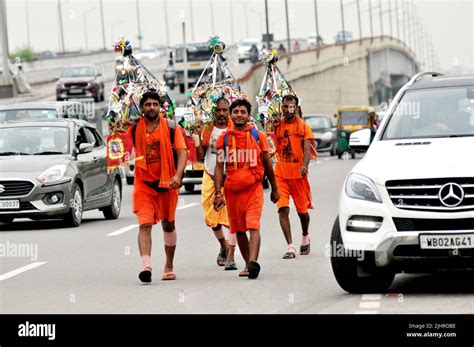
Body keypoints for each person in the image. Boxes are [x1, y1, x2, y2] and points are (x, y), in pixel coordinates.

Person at [213, 99, 280, 279]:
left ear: (248, 115)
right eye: (236, 112)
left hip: (254, 188)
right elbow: (219, 166)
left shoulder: (259, 136)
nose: (239, 115)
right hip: (232, 191)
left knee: (253, 225)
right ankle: (247, 264)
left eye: (243, 112)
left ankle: (253, 263)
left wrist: (275, 188)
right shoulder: (224, 138)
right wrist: (218, 193)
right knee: (240, 230)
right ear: (230, 114)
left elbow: (267, 162)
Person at [126, 91, 188, 283]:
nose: (151, 107)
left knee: (168, 224)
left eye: (155, 104)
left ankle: (168, 266)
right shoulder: (134, 128)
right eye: (147, 104)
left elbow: (182, 152)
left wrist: (178, 175)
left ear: (160, 107)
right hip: (144, 184)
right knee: (144, 225)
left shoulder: (171, 127)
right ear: (141, 107)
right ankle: (146, 266)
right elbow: (121, 149)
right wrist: (117, 132)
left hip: (167, 184)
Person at [194, 97, 237, 270]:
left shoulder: (235, 129)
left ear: (229, 111)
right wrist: (197, 136)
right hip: (210, 176)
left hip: (232, 177)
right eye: (218, 110)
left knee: (233, 217)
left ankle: (232, 256)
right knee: (211, 216)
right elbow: (199, 156)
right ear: (214, 111)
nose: (221, 114)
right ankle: (224, 246)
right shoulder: (207, 129)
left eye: (225, 110)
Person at [273, 95, 315, 259]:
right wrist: (272, 126)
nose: (288, 110)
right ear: (282, 108)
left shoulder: (303, 127)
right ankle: (290, 246)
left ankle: (305, 235)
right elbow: (269, 141)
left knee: (302, 213)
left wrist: (305, 166)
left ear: (296, 108)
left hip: (298, 176)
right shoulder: (278, 125)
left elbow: (307, 149)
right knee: (283, 209)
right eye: (285, 106)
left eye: (291, 107)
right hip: (280, 175)